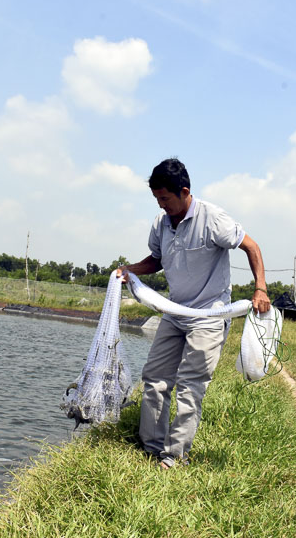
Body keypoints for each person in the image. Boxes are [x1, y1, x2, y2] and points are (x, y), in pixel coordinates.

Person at [116, 158, 270, 469]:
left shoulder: (213, 219)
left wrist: (260, 288)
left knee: (190, 384)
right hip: (175, 312)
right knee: (155, 378)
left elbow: (251, 247)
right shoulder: (161, 224)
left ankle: (174, 457)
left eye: (165, 199)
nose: (161, 206)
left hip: (210, 314)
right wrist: (128, 270)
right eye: (157, 199)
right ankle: (151, 448)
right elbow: (156, 260)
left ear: (185, 191)